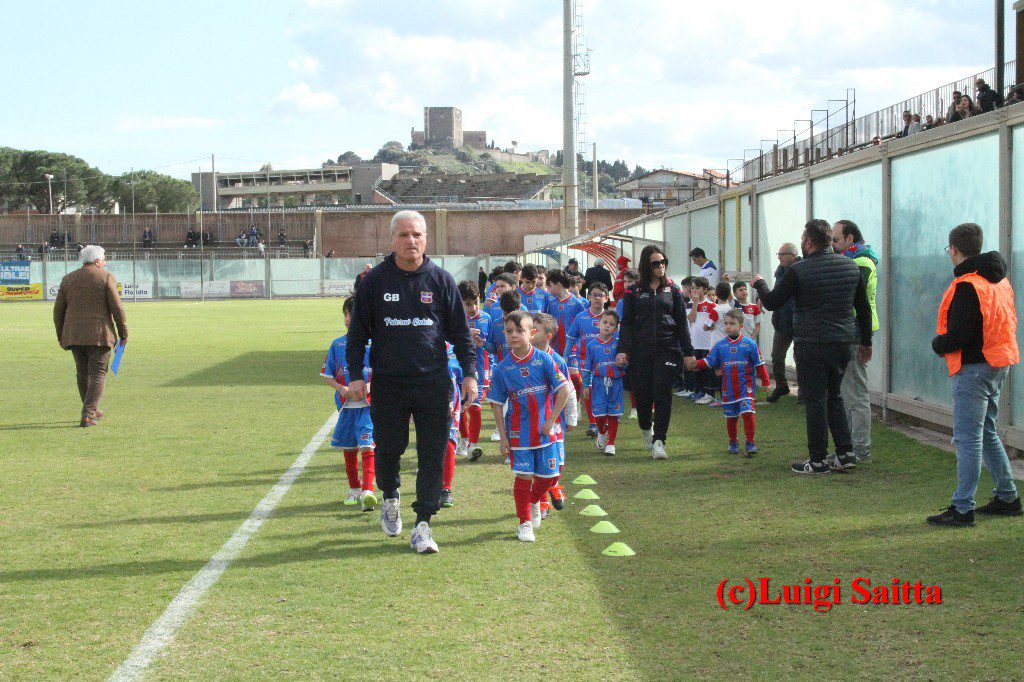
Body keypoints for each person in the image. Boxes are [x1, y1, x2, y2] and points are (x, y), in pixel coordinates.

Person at [345, 209, 477, 554]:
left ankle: (423, 525)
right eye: (404, 235)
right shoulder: (374, 282)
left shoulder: (441, 280)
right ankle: (390, 496)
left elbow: (462, 335)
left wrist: (470, 375)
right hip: (388, 383)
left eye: (417, 235)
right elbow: (357, 334)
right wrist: (357, 375)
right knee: (390, 448)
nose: (411, 241)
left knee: (433, 452)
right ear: (392, 239)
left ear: (426, 239)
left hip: (433, 383)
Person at [752, 219, 873, 475]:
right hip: (842, 342)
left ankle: (817, 461)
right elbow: (863, 308)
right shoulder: (850, 266)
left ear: (808, 243)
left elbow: (772, 301)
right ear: (829, 240)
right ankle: (845, 453)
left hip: (812, 342)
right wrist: (866, 342)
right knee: (835, 396)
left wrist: (760, 284)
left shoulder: (799, 270)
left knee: (816, 401)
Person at [927, 223, 1020, 527]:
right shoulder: (999, 280)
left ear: (953, 249)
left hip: (973, 367)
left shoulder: (967, 285)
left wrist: (938, 344)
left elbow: (960, 335)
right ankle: (1007, 497)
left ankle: (963, 507)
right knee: (987, 431)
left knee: (967, 438)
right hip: (998, 362)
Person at [488, 311, 571, 542]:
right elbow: (496, 404)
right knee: (523, 476)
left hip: (545, 432)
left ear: (531, 333)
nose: (514, 335)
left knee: (549, 477)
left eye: (519, 330)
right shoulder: (502, 369)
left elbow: (564, 389)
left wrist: (552, 420)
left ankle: (535, 500)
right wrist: (503, 438)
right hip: (519, 432)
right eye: (509, 331)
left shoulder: (544, 360)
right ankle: (524, 524)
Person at [616, 245, 695, 460]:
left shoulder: (674, 290)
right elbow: (627, 324)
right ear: (645, 265)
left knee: (662, 394)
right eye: (655, 263)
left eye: (663, 262)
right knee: (642, 396)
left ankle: (660, 440)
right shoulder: (633, 292)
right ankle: (646, 428)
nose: (660, 267)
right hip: (640, 353)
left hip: (668, 350)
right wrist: (622, 350)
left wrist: (688, 352)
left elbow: (681, 324)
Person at [52, 245, 128, 427]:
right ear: (96, 261)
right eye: (103, 260)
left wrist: (60, 335)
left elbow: (58, 311)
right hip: (100, 335)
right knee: (98, 374)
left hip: (74, 335)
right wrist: (123, 332)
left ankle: (92, 408)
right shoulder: (106, 277)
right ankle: (88, 414)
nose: (105, 263)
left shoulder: (67, 279)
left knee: (82, 373)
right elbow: (117, 308)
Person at [320, 298, 377, 512]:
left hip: (367, 407)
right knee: (349, 448)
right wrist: (340, 388)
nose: (348, 319)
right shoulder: (337, 345)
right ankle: (354, 487)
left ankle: (368, 490)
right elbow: (327, 374)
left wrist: (371, 386)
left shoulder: (375, 345)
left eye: (352, 314)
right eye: (346, 314)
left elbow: (384, 372)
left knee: (367, 445)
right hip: (346, 408)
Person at [831, 220, 880, 464]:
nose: (832, 245)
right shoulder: (858, 259)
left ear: (850, 239)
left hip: (856, 332)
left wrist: (865, 340)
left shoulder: (860, 262)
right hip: (854, 331)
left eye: (836, 239)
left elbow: (854, 301)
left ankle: (860, 450)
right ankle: (850, 448)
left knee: (856, 394)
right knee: (847, 392)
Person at [694, 309, 770, 456]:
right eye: (726, 323)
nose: (728, 326)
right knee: (731, 417)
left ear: (741, 326)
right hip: (728, 388)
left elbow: (759, 364)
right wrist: (694, 363)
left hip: (746, 387)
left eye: (732, 324)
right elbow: (709, 361)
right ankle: (733, 442)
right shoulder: (720, 345)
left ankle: (750, 442)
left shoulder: (749, 344)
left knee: (748, 413)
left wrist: (766, 381)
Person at [531, 312, 578, 517]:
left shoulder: (558, 360)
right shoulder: (526, 358)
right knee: (538, 463)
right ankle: (541, 501)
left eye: (536, 329)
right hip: (533, 420)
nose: (531, 333)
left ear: (548, 335)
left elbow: (569, 391)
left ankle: (554, 484)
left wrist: (571, 416)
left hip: (555, 420)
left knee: (557, 463)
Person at [566, 282, 610, 437]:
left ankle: (604, 421)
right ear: (589, 297)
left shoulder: (611, 318)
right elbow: (571, 338)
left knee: (603, 390)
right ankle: (593, 424)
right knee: (588, 390)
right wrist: (565, 357)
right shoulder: (581, 317)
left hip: (606, 360)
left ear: (606, 297)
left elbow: (618, 339)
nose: (597, 298)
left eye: (601, 295)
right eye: (594, 295)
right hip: (585, 360)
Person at [581, 310, 625, 456]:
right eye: (605, 322)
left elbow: (625, 365)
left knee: (613, 414)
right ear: (598, 324)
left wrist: (624, 364)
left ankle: (611, 443)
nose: (607, 326)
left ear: (616, 328)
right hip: (599, 383)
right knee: (599, 415)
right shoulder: (592, 345)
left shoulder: (619, 345)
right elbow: (587, 366)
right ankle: (601, 431)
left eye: (611, 324)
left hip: (616, 383)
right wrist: (586, 385)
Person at [457, 281, 490, 462]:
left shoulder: (486, 318)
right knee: (461, 408)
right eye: (468, 303)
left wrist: (483, 343)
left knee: (476, 409)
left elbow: (492, 346)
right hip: (459, 370)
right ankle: (464, 439)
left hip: (479, 368)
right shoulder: (452, 319)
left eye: (476, 302)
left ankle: (473, 444)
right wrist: (464, 335)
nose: (473, 307)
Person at [765, 242, 800, 403]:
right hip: (781, 322)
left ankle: (804, 391)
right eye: (778, 255)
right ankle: (781, 386)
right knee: (777, 357)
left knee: (800, 357)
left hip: (799, 323)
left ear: (793, 255)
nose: (779, 258)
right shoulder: (779, 272)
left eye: (782, 254)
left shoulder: (801, 270)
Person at [441, 344, 465, 508]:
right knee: (429, 444)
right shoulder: (418, 343)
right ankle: (431, 481)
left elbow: (464, 378)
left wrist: (466, 396)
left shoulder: (455, 351)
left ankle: (446, 488)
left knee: (449, 443)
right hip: (425, 402)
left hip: (451, 403)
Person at [687, 277, 717, 405]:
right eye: (692, 288)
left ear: (704, 290)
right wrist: (695, 303)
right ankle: (698, 390)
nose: (694, 291)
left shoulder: (712, 305)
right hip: (695, 342)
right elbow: (691, 319)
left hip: (707, 343)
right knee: (695, 367)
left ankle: (708, 392)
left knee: (707, 368)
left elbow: (713, 324)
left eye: (697, 288)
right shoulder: (691, 303)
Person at [616, 268, 640, 418]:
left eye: (629, 281)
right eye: (624, 281)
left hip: (644, 341)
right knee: (631, 375)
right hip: (630, 342)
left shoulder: (645, 298)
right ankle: (634, 408)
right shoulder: (621, 302)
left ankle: (649, 406)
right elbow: (621, 323)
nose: (626, 284)